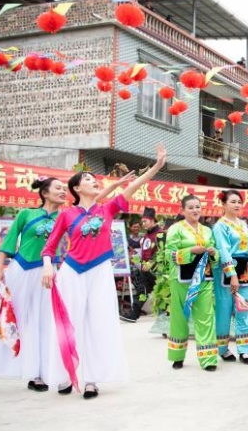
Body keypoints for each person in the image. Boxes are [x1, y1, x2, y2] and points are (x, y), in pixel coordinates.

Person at [41, 145, 166, 398]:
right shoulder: (67, 214)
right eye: (88, 179)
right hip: (72, 272)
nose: (94, 181)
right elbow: (50, 246)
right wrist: (47, 268)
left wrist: (157, 166)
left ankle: (91, 379)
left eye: (95, 179)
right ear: (76, 188)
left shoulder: (106, 209)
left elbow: (133, 187)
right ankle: (67, 374)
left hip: (99, 272)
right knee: (70, 325)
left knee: (98, 324)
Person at [0, 177, 68, 391]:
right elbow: (8, 243)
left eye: (65, 189)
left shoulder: (64, 217)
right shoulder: (26, 214)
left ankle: (41, 374)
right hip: (21, 270)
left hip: (48, 274)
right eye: (59, 188)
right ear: (45, 193)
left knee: (45, 322)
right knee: (16, 319)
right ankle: (23, 370)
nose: (64, 192)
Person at [164, 195, 219, 371]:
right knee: (180, 317)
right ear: (182, 210)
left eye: (198, 206)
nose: (195, 210)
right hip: (181, 279)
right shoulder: (175, 229)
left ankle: (209, 359)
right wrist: (190, 251)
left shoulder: (207, 230)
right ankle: (177, 356)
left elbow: (216, 255)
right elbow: (169, 255)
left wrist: (212, 253)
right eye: (191, 207)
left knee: (206, 317)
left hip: (204, 278)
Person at [213, 189, 248, 364]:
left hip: (244, 271)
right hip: (226, 272)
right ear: (223, 204)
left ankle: (245, 350)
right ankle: (223, 349)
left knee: (244, 308)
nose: (237, 204)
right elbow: (223, 251)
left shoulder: (243, 224)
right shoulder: (220, 226)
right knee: (224, 310)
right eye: (233, 201)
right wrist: (232, 275)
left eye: (239, 201)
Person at [122, 208, 162, 323]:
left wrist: (151, 263)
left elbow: (162, 252)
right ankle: (134, 314)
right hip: (145, 271)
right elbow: (141, 252)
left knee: (163, 296)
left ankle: (166, 319)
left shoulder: (160, 234)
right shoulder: (144, 237)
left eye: (145, 221)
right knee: (142, 292)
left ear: (153, 220)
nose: (142, 224)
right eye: (142, 221)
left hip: (158, 271)